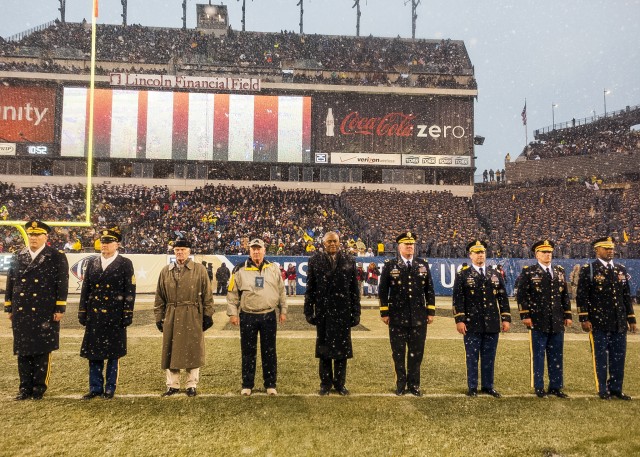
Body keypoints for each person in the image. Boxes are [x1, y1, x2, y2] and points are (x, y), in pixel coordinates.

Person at [4, 220, 69, 400]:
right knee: (23, 350)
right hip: (22, 309)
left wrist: (60, 307)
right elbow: (11, 281)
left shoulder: (56, 256)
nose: (33, 238)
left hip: (44, 309)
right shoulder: (18, 255)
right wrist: (9, 305)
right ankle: (24, 388)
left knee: (41, 349)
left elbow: (62, 284)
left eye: (37, 234)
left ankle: (39, 388)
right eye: (31, 234)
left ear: (45, 237)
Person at [78, 227, 136, 400]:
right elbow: (86, 289)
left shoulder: (125, 263)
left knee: (113, 353)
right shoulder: (92, 262)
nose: (104, 245)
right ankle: (95, 387)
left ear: (117, 244)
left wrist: (127, 312)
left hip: (114, 314)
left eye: (108, 242)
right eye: (102, 242)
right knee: (94, 353)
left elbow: (130, 290)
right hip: (95, 315)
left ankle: (110, 387)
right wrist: (83, 310)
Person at [576, 236, 637, 400]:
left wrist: (631, 318)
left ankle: (616, 388)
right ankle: (602, 389)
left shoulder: (620, 269)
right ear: (597, 250)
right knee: (601, 357)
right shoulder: (589, 269)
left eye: (611, 248)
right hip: (598, 321)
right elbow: (582, 296)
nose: (610, 251)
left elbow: (626, 296)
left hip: (618, 322)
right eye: (606, 248)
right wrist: (584, 318)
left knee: (619, 357)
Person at [154, 238, 214, 397]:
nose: (180, 252)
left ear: (189, 251)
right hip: (171, 315)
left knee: (193, 349)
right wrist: (159, 317)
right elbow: (159, 297)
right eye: (177, 250)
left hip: (192, 315)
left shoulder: (199, 270)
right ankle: (172, 385)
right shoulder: (166, 271)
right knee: (170, 350)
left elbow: (207, 294)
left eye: (183, 249)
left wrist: (208, 315)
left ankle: (191, 384)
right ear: (174, 252)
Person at [227, 238, 287, 396]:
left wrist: (283, 310)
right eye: (253, 249)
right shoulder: (239, 269)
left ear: (264, 250)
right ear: (249, 251)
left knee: (269, 351)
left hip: (268, 315)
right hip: (248, 316)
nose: (256, 251)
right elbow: (232, 293)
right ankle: (247, 384)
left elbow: (281, 291)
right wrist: (233, 313)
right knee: (248, 352)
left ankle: (270, 384)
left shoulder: (273, 268)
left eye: (259, 249)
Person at [378, 231, 435, 396]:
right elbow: (383, 291)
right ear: (399, 246)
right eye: (406, 244)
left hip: (418, 317)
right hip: (397, 317)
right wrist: (384, 312)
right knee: (398, 353)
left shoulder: (422, 265)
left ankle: (414, 384)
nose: (409, 247)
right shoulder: (390, 265)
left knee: (417, 353)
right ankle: (401, 384)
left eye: (412, 244)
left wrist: (430, 311)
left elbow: (429, 290)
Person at [305, 231, 361, 396]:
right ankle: (325, 384)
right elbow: (310, 288)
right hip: (323, 312)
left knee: (342, 351)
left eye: (335, 241)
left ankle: (340, 384)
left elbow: (354, 290)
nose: (332, 244)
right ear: (323, 243)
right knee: (324, 350)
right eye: (329, 241)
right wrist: (308, 311)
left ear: (339, 242)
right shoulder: (314, 260)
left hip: (343, 312)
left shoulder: (350, 260)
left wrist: (356, 312)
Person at [452, 240, 511, 398]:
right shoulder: (463, 275)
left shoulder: (495, 274)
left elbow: (502, 298)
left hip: (491, 323)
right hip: (472, 323)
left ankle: (488, 386)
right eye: (477, 253)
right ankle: (472, 386)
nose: (480, 255)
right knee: (472, 356)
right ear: (470, 255)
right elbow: (458, 300)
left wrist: (505, 318)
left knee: (489, 356)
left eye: (482, 252)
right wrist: (460, 320)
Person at [516, 240, 572, 398]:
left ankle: (556, 386)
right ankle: (539, 387)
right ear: (536, 254)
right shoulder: (529, 271)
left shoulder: (559, 271)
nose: (548, 255)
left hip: (556, 320)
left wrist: (567, 314)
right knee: (539, 355)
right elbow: (522, 295)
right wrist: (525, 315)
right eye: (544, 252)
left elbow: (564, 295)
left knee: (556, 355)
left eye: (549, 252)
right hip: (538, 320)